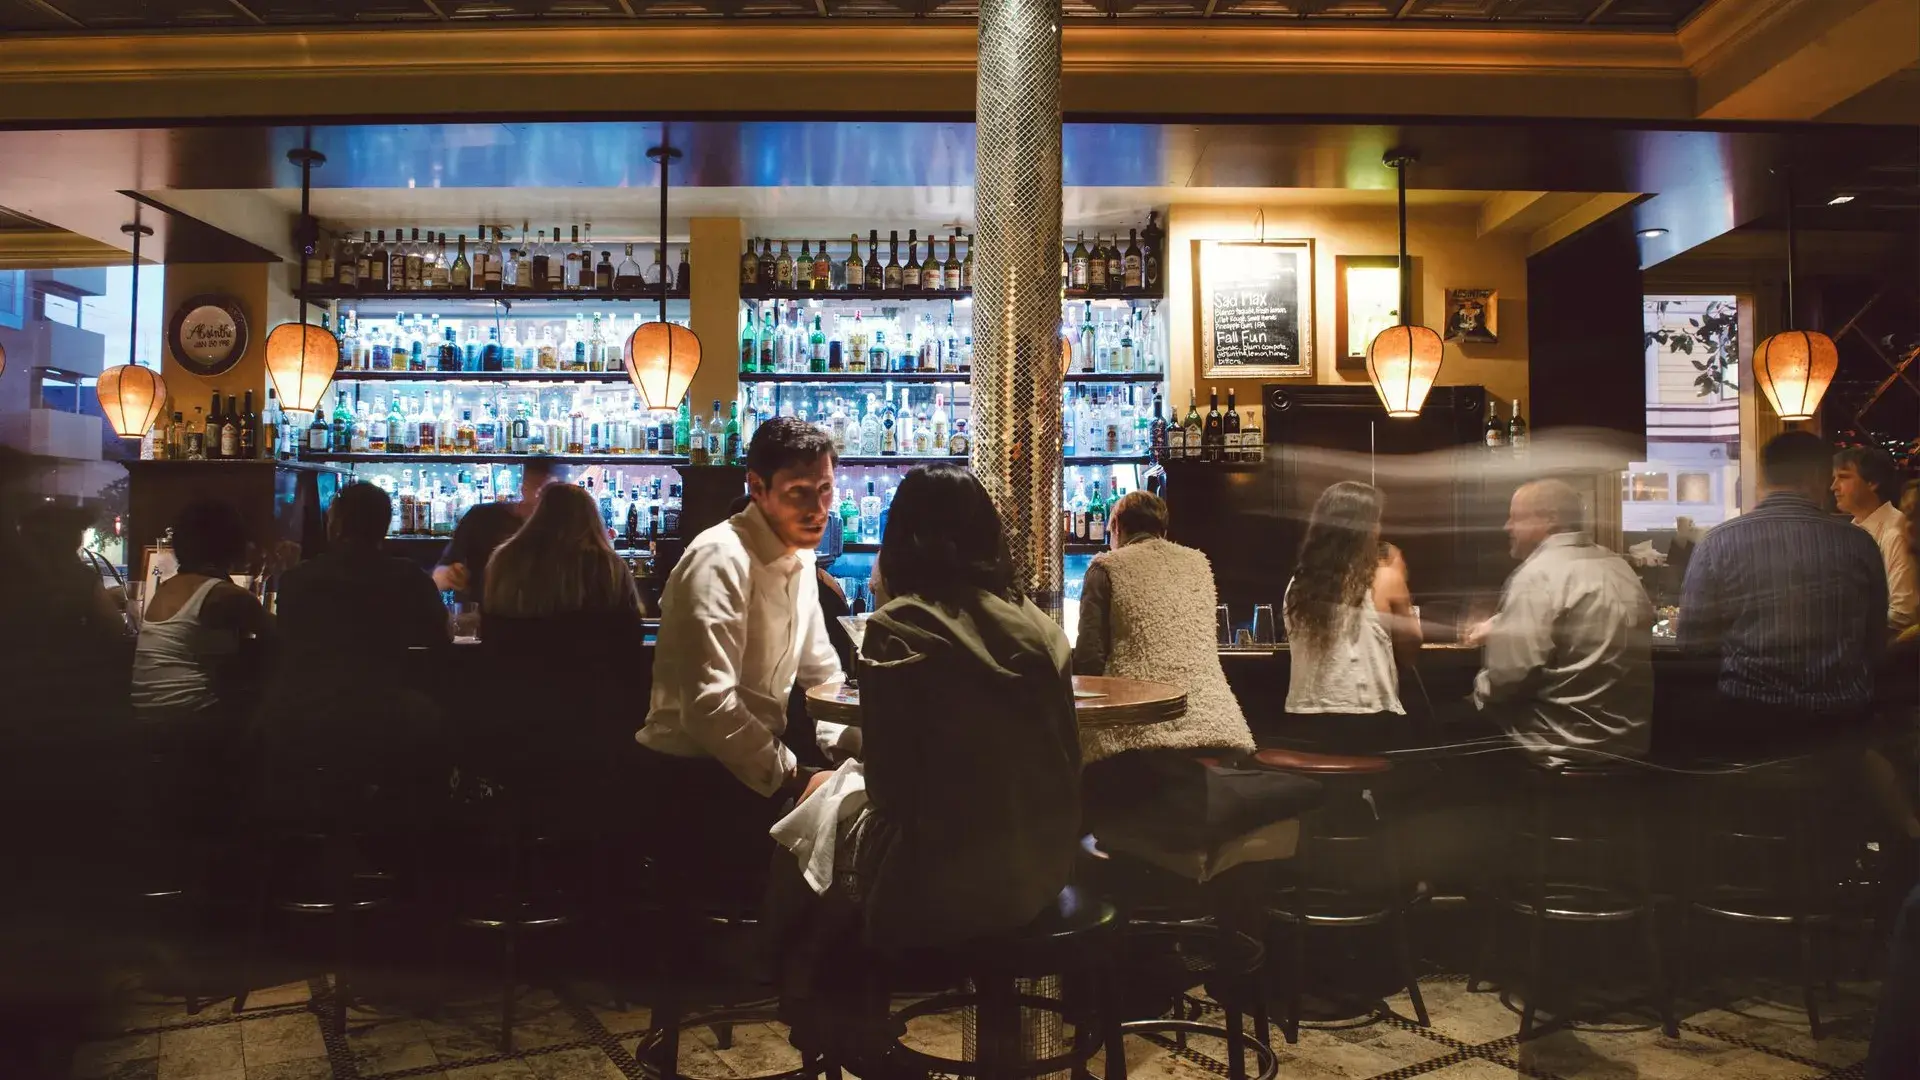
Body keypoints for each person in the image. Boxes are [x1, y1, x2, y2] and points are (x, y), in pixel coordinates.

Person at [771, 465, 1081, 1065]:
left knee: (811, 829)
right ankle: (822, 1006)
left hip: (945, 882)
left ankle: (835, 1027)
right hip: (1041, 870)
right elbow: (1067, 763)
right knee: (827, 827)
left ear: (900, 537)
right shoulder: (1045, 631)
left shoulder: (896, 628)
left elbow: (892, 790)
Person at [638, 417, 843, 904]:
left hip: (748, 769)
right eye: (799, 492)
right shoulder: (719, 559)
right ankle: (771, 964)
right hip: (694, 780)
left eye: (826, 490)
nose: (818, 510)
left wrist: (856, 749)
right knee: (844, 852)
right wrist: (798, 777)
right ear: (757, 487)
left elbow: (823, 675)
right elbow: (709, 707)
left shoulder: (800, 559)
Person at [1678, 431, 1887, 756]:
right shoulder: (1859, 544)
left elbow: (1691, 643)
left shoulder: (1717, 543)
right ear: (1819, 477)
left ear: (1763, 476)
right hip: (1841, 725)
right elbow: (1874, 640)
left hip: (1749, 720)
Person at [1073, 488, 1256, 790]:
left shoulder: (1106, 567)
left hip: (1136, 730)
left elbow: (1090, 657)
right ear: (1164, 529)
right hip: (1217, 723)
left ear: (1116, 525)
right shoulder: (1199, 564)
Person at [1468, 479, 1654, 763]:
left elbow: (1508, 678)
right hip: (1629, 743)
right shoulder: (1618, 566)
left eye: (1516, 517)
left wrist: (1478, 688)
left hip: (1559, 745)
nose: (1507, 527)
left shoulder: (1536, 576)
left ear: (1550, 519)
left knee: (1453, 725)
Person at [1276, 481, 1420, 754]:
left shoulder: (1296, 585)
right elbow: (1411, 645)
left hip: (1301, 721)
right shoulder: (1385, 578)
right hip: (1367, 719)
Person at [132, 500, 272, 731]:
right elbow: (283, 634)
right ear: (232, 544)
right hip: (193, 719)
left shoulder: (166, 587)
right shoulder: (222, 594)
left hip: (148, 718)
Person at [274, 482, 451, 665]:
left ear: (336, 526)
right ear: (385, 526)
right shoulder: (410, 577)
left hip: (309, 690)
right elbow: (441, 637)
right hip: (384, 688)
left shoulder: (298, 577)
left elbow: (284, 636)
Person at [433, 456, 557, 605]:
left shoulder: (558, 527)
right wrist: (449, 574)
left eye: (547, 492)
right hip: (481, 615)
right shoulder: (482, 517)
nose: (540, 497)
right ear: (523, 487)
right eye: (537, 488)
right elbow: (439, 574)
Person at [1833, 445, 1918, 633]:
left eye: (1844, 477)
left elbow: (1904, 614)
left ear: (1873, 482)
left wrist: (1844, 625)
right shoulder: (1853, 529)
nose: (1834, 487)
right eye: (1834, 478)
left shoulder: (1896, 532)